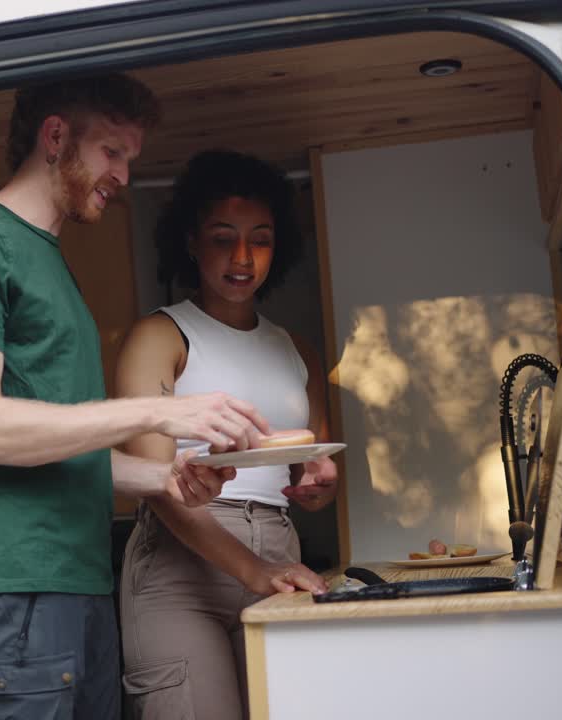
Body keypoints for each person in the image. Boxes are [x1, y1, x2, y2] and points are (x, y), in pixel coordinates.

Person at [0, 76, 273, 720]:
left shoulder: (49, 262)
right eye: (113, 152)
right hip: (16, 585)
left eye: (130, 159)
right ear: (55, 137)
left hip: (80, 581)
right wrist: (160, 411)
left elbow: (59, 446)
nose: (124, 175)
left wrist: (164, 477)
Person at [116, 150, 339, 720]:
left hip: (279, 549)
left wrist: (317, 486)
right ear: (191, 242)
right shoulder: (160, 335)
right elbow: (157, 484)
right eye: (223, 238)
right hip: (180, 565)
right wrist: (252, 570)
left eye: (259, 239)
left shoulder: (299, 352)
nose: (242, 258)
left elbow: (309, 473)